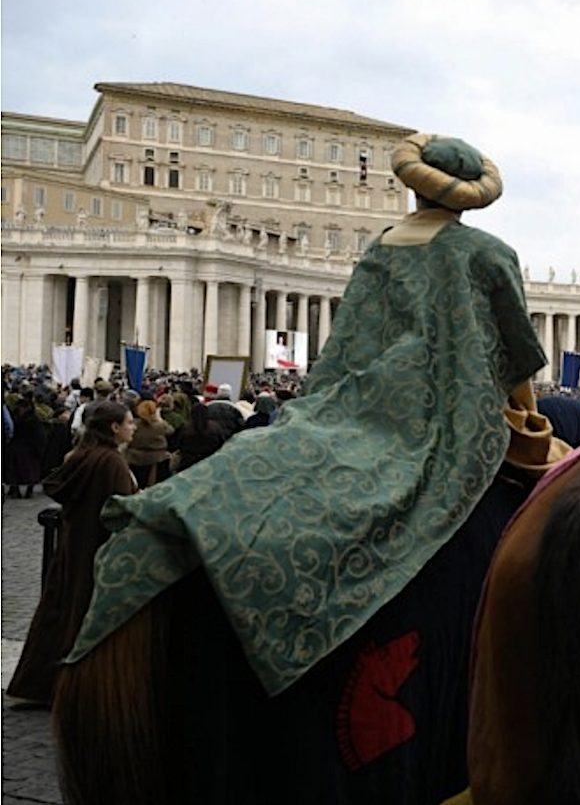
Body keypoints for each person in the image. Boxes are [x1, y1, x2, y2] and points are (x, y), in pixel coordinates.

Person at [68, 130, 546, 704]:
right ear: (469, 197)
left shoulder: (382, 247)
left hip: (348, 403)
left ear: (415, 190)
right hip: (446, 417)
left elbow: (350, 342)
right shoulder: (488, 253)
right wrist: (530, 415)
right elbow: (516, 352)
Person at [7, 401, 136, 704]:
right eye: (129, 422)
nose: (133, 427)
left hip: (74, 546)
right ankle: (76, 688)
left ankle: (41, 683)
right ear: (114, 427)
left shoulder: (83, 456)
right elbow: (120, 509)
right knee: (84, 616)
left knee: (60, 612)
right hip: (97, 549)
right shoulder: (110, 462)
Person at [125, 398, 175, 489]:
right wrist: (159, 418)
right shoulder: (160, 426)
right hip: (157, 459)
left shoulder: (135, 425)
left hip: (135, 458)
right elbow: (171, 430)